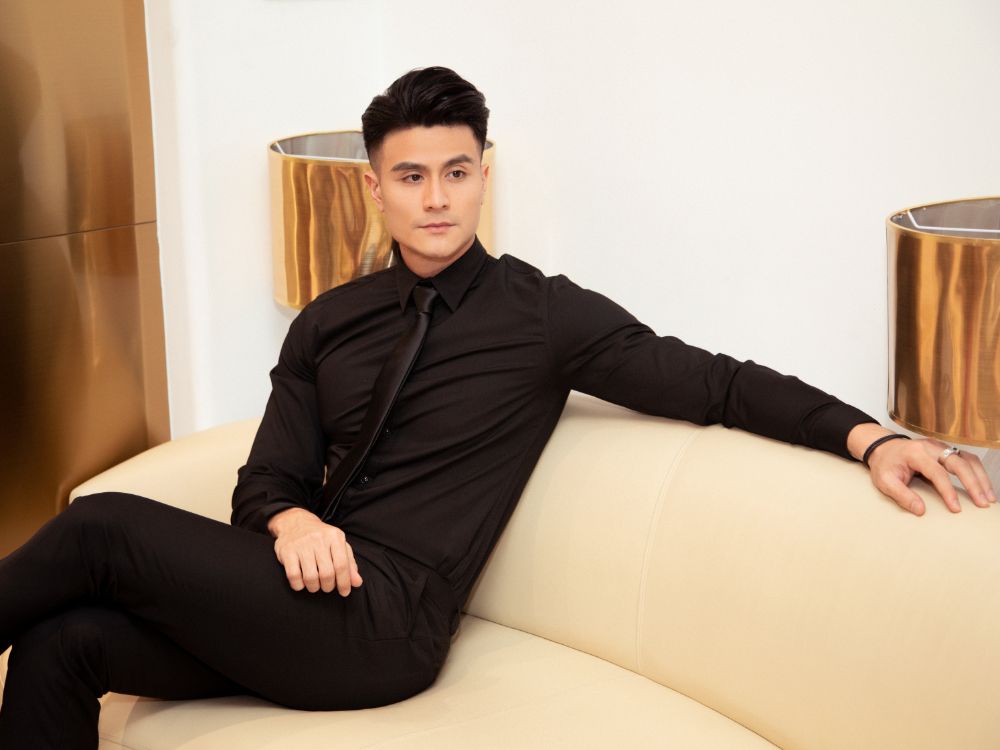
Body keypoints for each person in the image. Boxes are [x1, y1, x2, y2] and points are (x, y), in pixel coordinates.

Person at [0, 66, 994, 750]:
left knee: (101, 527)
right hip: (291, 599)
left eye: (457, 172)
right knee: (61, 646)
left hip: (386, 629)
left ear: (483, 175)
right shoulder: (330, 323)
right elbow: (264, 481)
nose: (436, 199)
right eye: (411, 176)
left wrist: (869, 436)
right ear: (376, 190)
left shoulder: (543, 315)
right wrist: (292, 519)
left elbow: (716, 382)